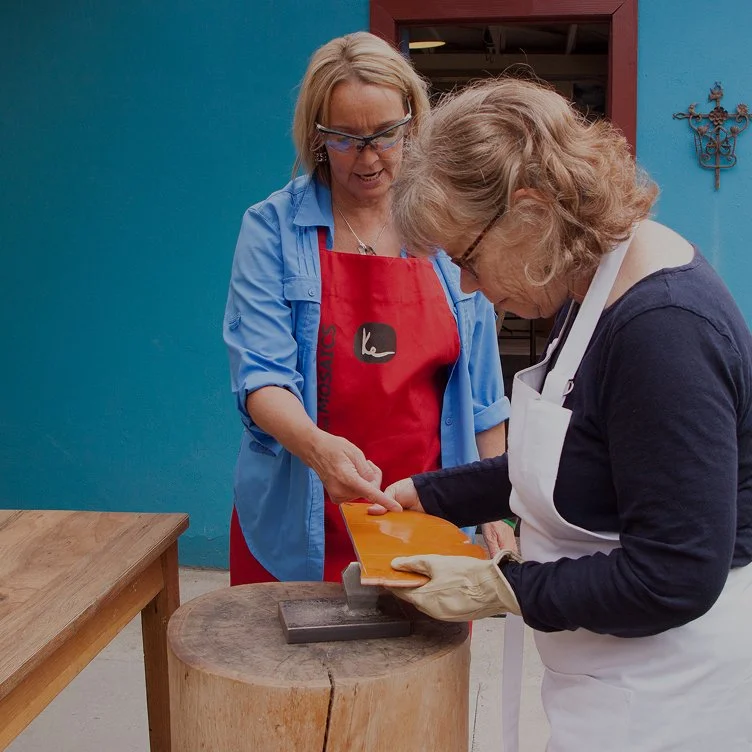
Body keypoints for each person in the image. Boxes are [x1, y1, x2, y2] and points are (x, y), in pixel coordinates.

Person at [366, 78, 752, 751]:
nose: (466, 285)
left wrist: (503, 588)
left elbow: (676, 574)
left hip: (675, 695)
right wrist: (427, 494)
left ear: (530, 210)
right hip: (612, 683)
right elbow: (575, 455)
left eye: (465, 256)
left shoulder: (662, 330)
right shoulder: (587, 281)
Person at [222, 32, 514, 586]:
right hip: (300, 511)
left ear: (412, 123)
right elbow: (261, 379)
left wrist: (491, 506)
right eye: (346, 139)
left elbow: (483, 397)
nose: (369, 156)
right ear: (316, 135)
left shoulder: (447, 227)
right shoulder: (272, 230)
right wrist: (318, 451)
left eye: (386, 135)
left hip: (427, 512)